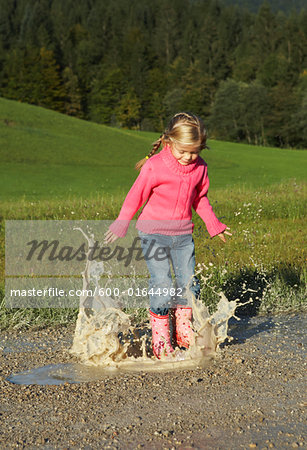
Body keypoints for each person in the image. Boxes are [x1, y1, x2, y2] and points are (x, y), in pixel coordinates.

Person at [104, 112, 231, 359]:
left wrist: (214, 225)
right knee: (162, 283)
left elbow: (200, 198)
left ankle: (183, 329)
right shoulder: (155, 166)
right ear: (169, 142)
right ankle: (161, 337)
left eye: (194, 152)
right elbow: (135, 196)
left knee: (189, 283)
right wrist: (122, 222)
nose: (188, 157)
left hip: (183, 236)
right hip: (153, 233)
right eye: (183, 151)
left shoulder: (200, 167)